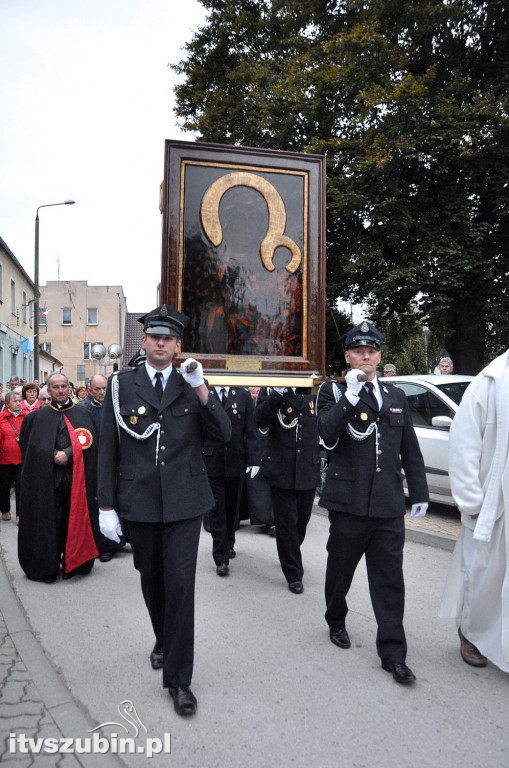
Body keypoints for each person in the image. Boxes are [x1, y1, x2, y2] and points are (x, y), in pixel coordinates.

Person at [97, 305, 231, 717]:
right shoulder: (122, 384)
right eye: (155, 337)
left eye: (168, 339)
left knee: (180, 586)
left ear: (177, 345)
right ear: (147, 341)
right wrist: (105, 505)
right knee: (151, 579)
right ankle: (163, 638)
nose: (161, 343)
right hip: (138, 501)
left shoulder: (192, 382)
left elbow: (224, 434)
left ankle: (179, 680)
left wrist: (202, 388)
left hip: (185, 503)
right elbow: (108, 448)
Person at [316, 321, 429, 685]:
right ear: (348, 356)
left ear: (379, 356)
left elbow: (409, 448)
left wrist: (421, 492)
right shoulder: (332, 391)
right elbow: (326, 433)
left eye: (372, 351)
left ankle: (394, 654)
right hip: (348, 502)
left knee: (390, 581)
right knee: (340, 572)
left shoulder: (395, 396)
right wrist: (349, 398)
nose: (366, 356)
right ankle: (335, 617)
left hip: (386, 503)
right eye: (359, 351)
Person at [439, 350, 509, 672]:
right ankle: (471, 634)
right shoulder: (489, 382)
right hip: (492, 504)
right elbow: (464, 444)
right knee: (482, 577)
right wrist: (471, 502)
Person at [18, 373, 99, 582]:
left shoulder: (83, 414)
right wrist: (52, 454)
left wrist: (69, 454)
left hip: (76, 481)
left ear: (69, 388)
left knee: (73, 521)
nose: (61, 390)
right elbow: (30, 449)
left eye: (64, 386)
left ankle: (74, 563)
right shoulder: (36, 418)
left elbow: (91, 444)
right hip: (48, 481)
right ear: (49, 390)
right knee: (50, 523)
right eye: (56, 387)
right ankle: (48, 566)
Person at [254, 386, 320, 593]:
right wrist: (278, 393)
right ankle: (293, 573)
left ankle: (291, 550)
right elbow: (260, 421)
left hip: (307, 468)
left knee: (301, 522)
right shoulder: (270, 391)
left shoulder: (314, 389)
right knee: (286, 523)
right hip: (280, 469)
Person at [203, 384, 259, 575]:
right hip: (212, 461)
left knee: (232, 509)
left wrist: (254, 460)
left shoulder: (242, 395)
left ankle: (229, 541)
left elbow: (250, 430)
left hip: (236, 461)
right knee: (217, 510)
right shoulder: (204, 392)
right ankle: (221, 557)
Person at [77, 373, 123, 563]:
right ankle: (103, 545)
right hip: (95, 464)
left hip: (119, 462)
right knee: (101, 503)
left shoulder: (118, 407)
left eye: (105, 388)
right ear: (89, 391)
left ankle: (121, 538)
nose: (102, 392)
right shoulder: (84, 411)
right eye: (97, 389)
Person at [0, 391, 26, 524]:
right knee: (4, 487)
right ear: (7, 404)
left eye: (19, 400)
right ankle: (5, 510)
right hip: (4, 461)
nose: (18, 403)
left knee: (21, 488)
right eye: (14, 401)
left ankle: (20, 515)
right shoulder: (1, 418)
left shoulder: (26, 416)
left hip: (22, 460)